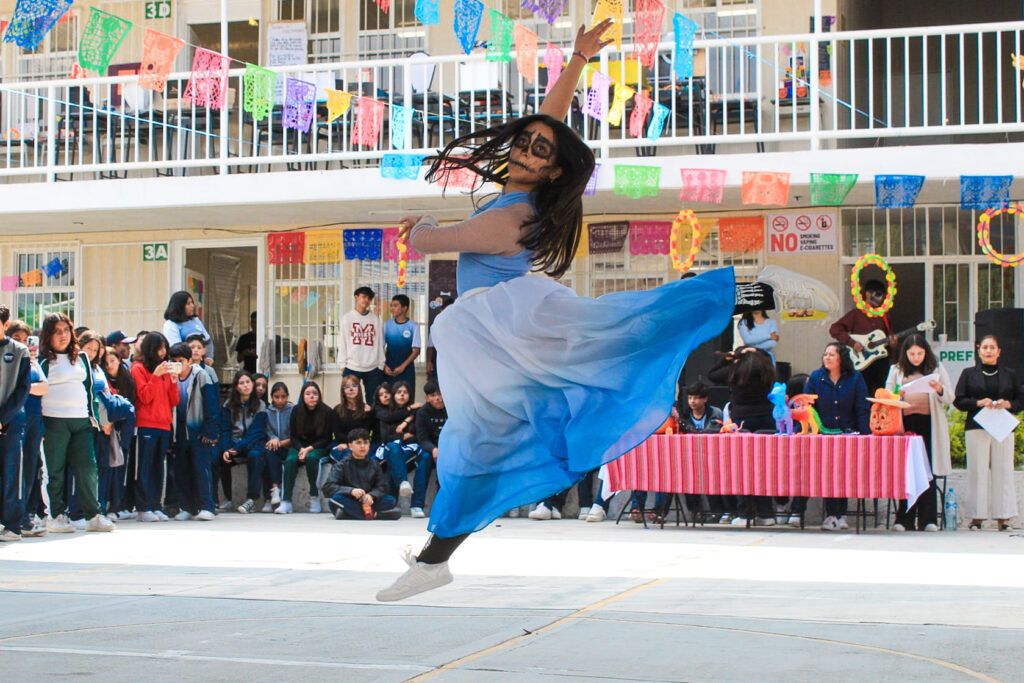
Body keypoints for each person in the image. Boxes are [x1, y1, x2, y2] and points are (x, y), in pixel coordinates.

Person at [376, 19, 790, 601]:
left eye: (537, 149)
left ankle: (746, 290)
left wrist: (418, 226)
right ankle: (433, 559)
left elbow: (430, 243)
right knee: (487, 445)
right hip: (501, 333)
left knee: (629, 329)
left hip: (512, 327)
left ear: (551, 171)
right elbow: (550, 119)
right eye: (525, 140)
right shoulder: (528, 194)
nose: (524, 146)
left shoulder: (509, 219)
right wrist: (575, 58)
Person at [38, 314, 115, 533]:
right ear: (48, 335)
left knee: (88, 468)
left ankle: (93, 515)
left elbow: (89, 389)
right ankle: (56, 515)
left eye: (65, 330)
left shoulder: (81, 357)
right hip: (53, 420)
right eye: (56, 331)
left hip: (81, 420)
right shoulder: (44, 359)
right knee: (55, 470)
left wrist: (93, 417)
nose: (62, 335)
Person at [791, 343, 870, 530]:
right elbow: (806, 407)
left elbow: (862, 408)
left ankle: (839, 514)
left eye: (832, 354)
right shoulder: (816, 377)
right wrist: (798, 430)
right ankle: (798, 511)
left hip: (846, 434)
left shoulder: (855, 378)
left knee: (840, 473)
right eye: (825, 354)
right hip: (820, 434)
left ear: (842, 358)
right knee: (812, 471)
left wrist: (867, 434)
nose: (827, 357)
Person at [954, 335, 1024, 531]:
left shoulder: (1010, 374)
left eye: (992, 347)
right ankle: (976, 518)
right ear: (978, 350)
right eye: (985, 347)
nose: (988, 351)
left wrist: (1008, 404)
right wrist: (978, 402)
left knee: (1004, 470)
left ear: (999, 351)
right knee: (977, 471)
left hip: (1003, 427)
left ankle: (1004, 518)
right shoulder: (968, 373)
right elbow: (958, 400)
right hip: (977, 426)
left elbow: (1021, 399)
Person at [884, 334, 953, 532]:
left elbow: (950, 397)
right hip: (905, 425)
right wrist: (898, 393)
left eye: (920, 353)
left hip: (928, 425)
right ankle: (903, 519)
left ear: (926, 353)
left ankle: (928, 519)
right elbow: (887, 397)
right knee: (906, 470)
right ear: (905, 354)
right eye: (912, 353)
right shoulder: (896, 370)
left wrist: (939, 389)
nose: (916, 357)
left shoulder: (936, 369)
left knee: (927, 471)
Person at [708, 346, 777, 527]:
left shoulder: (735, 370)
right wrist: (758, 352)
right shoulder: (766, 368)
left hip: (742, 421)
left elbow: (712, 374)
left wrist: (727, 359)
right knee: (764, 467)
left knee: (743, 467)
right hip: (766, 420)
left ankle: (745, 512)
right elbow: (769, 359)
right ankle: (766, 513)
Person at [167, 343, 220, 521]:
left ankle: (207, 506)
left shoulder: (201, 376)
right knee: (181, 470)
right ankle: (187, 507)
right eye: (173, 361)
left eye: (181, 361)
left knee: (201, 469)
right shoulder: (170, 378)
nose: (177, 365)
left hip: (198, 430)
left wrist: (209, 431)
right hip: (179, 431)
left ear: (189, 360)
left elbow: (212, 405)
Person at [6, 320, 49, 537]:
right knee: (13, 471)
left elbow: (44, 387)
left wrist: (26, 388)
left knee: (30, 469)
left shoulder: (32, 362)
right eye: (17, 338)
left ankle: (25, 516)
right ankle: (16, 518)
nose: (22, 343)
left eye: (25, 339)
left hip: (32, 419)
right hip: (14, 419)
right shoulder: (9, 359)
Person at [131, 331, 179, 523]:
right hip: (145, 424)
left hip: (164, 425)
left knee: (159, 467)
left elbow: (173, 400)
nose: (163, 352)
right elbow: (144, 397)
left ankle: (155, 505)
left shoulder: (166, 371)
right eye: (159, 347)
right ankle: (143, 507)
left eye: (165, 347)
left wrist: (173, 381)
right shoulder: (138, 368)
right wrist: (155, 376)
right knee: (145, 467)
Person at [829, 280, 896, 395]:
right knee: (861, 393)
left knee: (884, 392)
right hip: (861, 361)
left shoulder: (884, 316)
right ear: (868, 294)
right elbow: (835, 329)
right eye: (878, 295)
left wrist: (892, 344)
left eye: (882, 296)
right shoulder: (855, 314)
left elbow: (888, 342)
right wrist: (852, 343)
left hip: (880, 361)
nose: (881, 299)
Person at [0, 306, 32, 542]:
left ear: (5, 324)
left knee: (12, 472)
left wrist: (3, 418)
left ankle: (13, 525)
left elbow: (22, 389)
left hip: (11, 420)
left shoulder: (19, 351)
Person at [677, 382, 730, 523]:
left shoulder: (715, 413)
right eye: (689, 398)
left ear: (705, 399)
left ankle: (717, 511)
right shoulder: (685, 416)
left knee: (713, 477)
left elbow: (719, 432)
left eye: (696, 398)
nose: (692, 402)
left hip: (713, 456)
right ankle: (695, 511)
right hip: (691, 455)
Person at [278, 381, 334, 514]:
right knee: (290, 461)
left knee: (312, 459)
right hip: (299, 446)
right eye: (308, 394)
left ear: (319, 395)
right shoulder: (296, 411)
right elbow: (293, 436)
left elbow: (327, 438)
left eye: (315, 393)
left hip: (318, 447)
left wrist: (309, 449)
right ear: (303, 396)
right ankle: (286, 501)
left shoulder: (327, 412)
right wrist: (301, 449)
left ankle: (314, 496)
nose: (312, 396)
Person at [322, 428, 401, 520]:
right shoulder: (341, 465)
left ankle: (349, 513)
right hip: (349, 499)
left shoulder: (374, 464)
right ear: (350, 446)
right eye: (358, 443)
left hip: (369, 501)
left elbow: (382, 487)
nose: (362, 446)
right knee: (335, 499)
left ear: (369, 445)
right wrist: (350, 491)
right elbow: (328, 487)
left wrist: (371, 495)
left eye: (366, 443)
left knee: (391, 500)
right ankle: (375, 515)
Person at [219, 371, 268, 514]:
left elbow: (256, 432)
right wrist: (227, 448)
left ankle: (251, 499)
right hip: (233, 443)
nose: (245, 386)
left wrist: (238, 447)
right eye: (241, 383)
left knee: (256, 456)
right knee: (219, 457)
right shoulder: (228, 405)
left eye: (248, 382)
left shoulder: (260, 405)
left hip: (252, 443)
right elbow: (225, 429)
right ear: (236, 387)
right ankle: (226, 499)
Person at [375, 380, 423, 502]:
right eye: (398, 392)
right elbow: (385, 438)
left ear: (410, 395)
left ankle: (391, 502)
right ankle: (403, 482)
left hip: (409, 450)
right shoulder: (386, 414)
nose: (402, 395)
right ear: (393, 395)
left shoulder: (417, 412)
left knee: (393, 458)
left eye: (405, 392)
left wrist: (405, 435)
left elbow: (419, 436)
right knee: (393, 450)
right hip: (390, 448)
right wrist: (403, 436)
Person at [101, 347, 134, 520]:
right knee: (107, 467)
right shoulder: (102, 379)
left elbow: (130, 405)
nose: (109, 366)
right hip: (106, 426)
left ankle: (116, 506)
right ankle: (105, 505)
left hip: (123, 428)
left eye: (112, 361)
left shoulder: (127, 379)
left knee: (120, 466)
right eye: (105, 363)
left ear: (119, 361)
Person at [340, 286, 386, 406]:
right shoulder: (347, 318)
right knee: (351, 401)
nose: (366, 300)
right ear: (356, 297)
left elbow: (380, 343)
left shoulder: (375, 319)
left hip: (372, 367)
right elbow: (342, 342)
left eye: (368, 298)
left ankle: (372, 425)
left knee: (374, 402)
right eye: (363, 297)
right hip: (352, 366)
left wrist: (381, 364)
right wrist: (342, 364)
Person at [410, 380, 446, 519]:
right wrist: (433, 449)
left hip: (448, 448)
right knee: (424, 460)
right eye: (433, 395)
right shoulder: (422, 412)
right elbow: (422, 439)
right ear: (427, 398)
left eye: (440, 394)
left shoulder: (451, 409)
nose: (438, 398)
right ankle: (417, 505)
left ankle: (442, 507)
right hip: (429, 448)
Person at [384, 295, 421, 399]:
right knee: (389, 398)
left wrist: (403, 366)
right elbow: (380, 348)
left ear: (405, 308)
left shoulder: (413, 326)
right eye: (391, 306)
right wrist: (384, 365)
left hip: (406, 369)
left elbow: (417, 350)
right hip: (389, 369)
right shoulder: (386, 325)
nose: (392, 308)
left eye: (395, 305)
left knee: (406, 397)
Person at [263, 381, 293, 510]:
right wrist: (273, 439)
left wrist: (280, 442)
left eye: (283, 397)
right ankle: (273, 492)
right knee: (267, 455)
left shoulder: (293, 410)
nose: (280, 400)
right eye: (276, 397)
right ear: (272, 397)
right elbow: (267, 431)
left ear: (287, 396)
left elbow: (295, 434)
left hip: (289, 447)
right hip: (274, 447)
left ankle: (276, 492)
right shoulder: (268, 412)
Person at [332, 374, 377, 455]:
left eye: (354, 386)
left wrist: (356, 445)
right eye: (347, 387)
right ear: (343, 391)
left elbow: (366, 432)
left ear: (359, 389)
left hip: (362, 444)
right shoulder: (337, 410)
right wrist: (348, 444)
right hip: (342, 444)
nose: (351, 389)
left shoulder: (367, 409)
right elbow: (338, 434)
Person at [163, 291, 214, 361]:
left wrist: (209, 357)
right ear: (179, 306)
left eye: (192, 302)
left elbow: (208, 341)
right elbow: (176, 349)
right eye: (188, 304)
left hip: (200, 362)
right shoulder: (171, 324)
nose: (192, 305)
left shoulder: (195, 320)